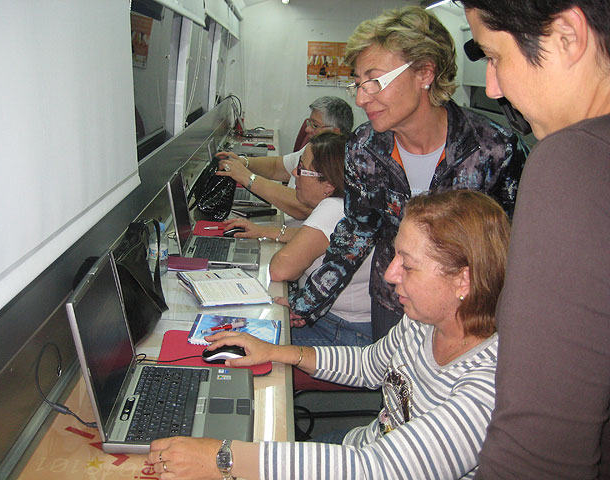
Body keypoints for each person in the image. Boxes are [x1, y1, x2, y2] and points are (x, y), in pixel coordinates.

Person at [147, 190, 511, 479]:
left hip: (369, 464)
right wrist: (277, 351)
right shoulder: (423, 321)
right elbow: (370, 364)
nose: (390, 274)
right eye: (395, 257)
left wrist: (223, 458)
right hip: (361, 449)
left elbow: (378, 470)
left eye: (409, 265)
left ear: (463, 280)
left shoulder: (489, 389)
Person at [287, 7, 528, 342]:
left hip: (469, 314)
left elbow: (516, 250)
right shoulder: (363, 147)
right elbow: (356, 233)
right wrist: (305, 304)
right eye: (357, 84)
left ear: (424, 73)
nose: (360, 98)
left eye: (373, 81)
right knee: (395, 391)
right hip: (393, 303)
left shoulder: (494, 150)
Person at [456, 1, 610, 478]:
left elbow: (536, 459)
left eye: (495, 57)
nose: (492, 87)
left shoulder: (574, 162)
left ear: (567, 36)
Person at [221, 132, 373, 347]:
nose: (293, 174)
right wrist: (267, 231)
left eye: (301, 169)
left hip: (341, 331)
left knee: (241, 338)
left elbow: (280, 270)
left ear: (328, 185)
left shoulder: (333, 208)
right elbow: (322, 240)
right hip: (346, 324)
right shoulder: (352, 204)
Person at [215, 96, 353, 224]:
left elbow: (303, 207)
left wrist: (247, 177)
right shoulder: (311, 150)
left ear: (335, 132)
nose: (307, 129)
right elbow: (276, 167)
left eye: (315, 125)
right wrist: (244, 162)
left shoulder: (337, 167)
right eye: (309, 122)